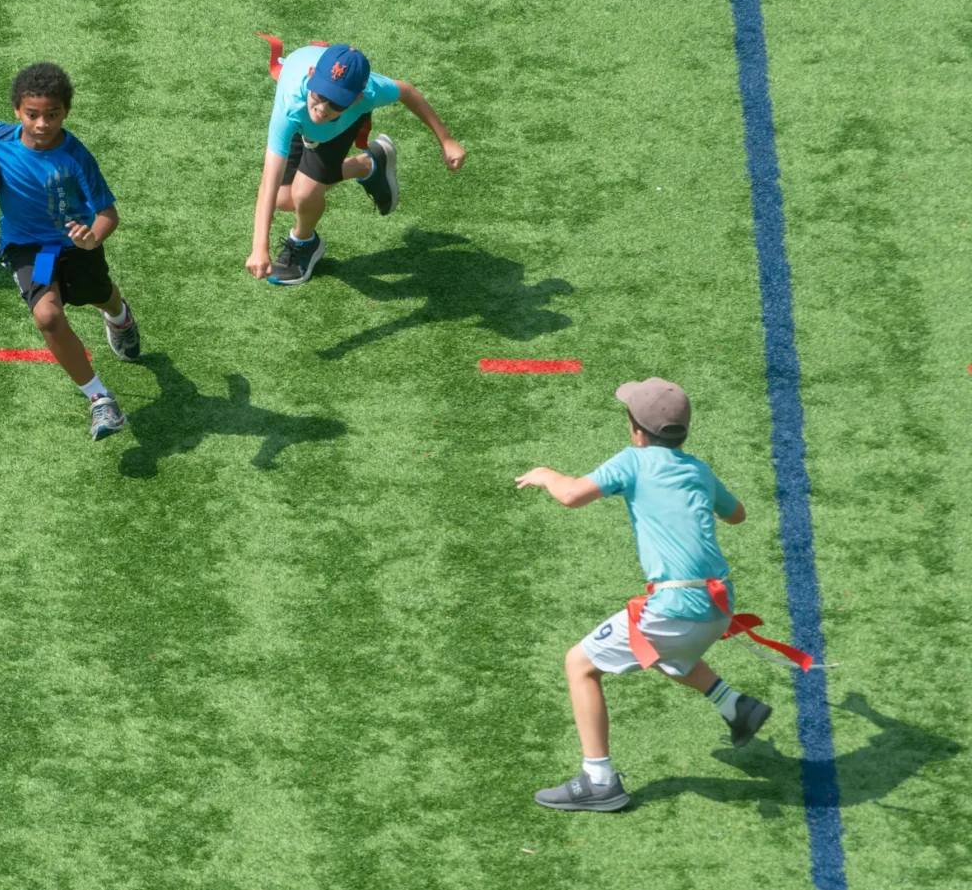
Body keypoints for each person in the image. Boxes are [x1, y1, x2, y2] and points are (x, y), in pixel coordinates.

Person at [514, 378, 779, 812]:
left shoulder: (632, 461)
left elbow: (571, 495)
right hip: (717, 606)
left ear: (636, 430)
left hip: (677, 608)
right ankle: (737, 708)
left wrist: (546, 475)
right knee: (654, 652)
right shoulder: (699, 469)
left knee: (579, 665)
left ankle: (599, 781)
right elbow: (737, 515)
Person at [0, 62, 140, 441]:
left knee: (97, 293)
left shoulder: (76, 158)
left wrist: (91, 239)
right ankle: (100, 399)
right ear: (17, 110)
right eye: (32, 114)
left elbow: (107, 214)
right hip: (30, 249)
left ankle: (118, 315)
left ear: (66, 112)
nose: (42, 124)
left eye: (53, 115)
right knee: (48, 316)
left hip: (75, 243)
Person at [245, 40, 465, 286]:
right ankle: (367, 164)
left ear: (357, 98)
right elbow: (269, 181)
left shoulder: (369, 93)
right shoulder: (290, 106)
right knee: (283, 199)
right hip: (299, 117)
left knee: (304, 194)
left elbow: (408, 91)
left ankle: (305, 241)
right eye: (321, 95)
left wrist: (446, 140)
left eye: (337, 102)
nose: (323, 109)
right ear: (310, 77)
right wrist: (259, 246)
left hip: (338, 129)